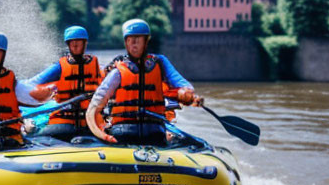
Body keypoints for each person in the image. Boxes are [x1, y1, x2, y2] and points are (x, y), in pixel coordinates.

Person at [87, 19, 203, 147]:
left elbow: (182, 84)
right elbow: (92, 110)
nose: (134, 44)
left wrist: (187, 94)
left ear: (146, 41)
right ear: (126, 42)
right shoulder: (117, 72)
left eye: (138, 39)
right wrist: (102, 135)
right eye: (130, 39)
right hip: (124, 132)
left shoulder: (160, 63)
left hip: (154, 132)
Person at [28, 26, 105, 141]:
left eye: (78, 42)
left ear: (85, 43)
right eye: (72, 42)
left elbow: (113, 80)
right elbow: (33, 83)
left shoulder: (96, 66)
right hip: (64, 123)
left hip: (90, 123)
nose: (75, 45)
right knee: (34, 138)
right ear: (68, 45)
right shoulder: (59, 67)